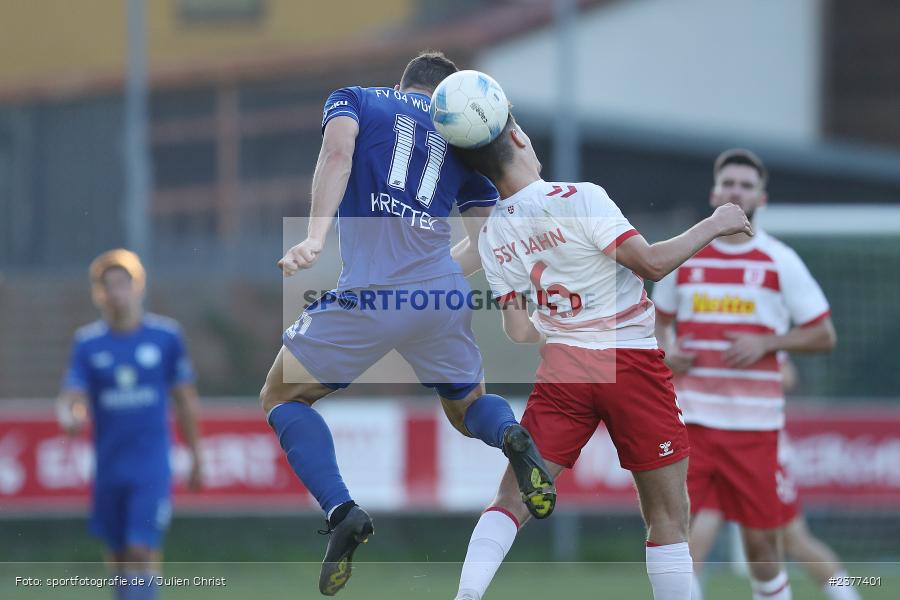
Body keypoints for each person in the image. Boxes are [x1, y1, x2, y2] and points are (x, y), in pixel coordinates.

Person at [260, 52, 556, 596]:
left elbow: (338, 151)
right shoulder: (463, 147)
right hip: (439, 295)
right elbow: (489, 240)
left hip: (369, 295)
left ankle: (342, 510)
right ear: (447, 98)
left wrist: (315, 236)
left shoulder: (355, 97)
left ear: (405, 83)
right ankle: (512, 435)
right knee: (468, 413)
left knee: (281, 397)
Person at [449, 111, 752, 600]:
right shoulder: (580, 197)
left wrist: (560, 323)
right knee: (668, 519)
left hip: (565, 368)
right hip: (631, 362)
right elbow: (651, 262)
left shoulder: (492, 236)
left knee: (510, 499)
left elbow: (520, 331)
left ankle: (466, 596)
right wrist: (716, 223)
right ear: (518, 137)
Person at [652, 149, 837, 600]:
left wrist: (768, 343)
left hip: (755, 431)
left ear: (761, 198)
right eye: (729, 183)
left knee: (763, 549)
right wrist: (666, 353)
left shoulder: (780, 261)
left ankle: (839, 589)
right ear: (715, 192)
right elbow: (657, 326)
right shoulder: (686, 256)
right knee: (683, 544)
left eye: (746, 185)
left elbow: (823, 334)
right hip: (692, 424)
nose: (737, 191)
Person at [57, 249, 204, 600]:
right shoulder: (88, 343)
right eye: (107, 286)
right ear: (98, 294)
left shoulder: (166, 337)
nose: (115, 293)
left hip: (151, 465)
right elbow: (72, 395)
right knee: (121, 555)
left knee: (141, 549)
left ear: (139, 287)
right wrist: (70, 415)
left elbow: (185, 400)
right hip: (109, 465)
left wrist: (197, 456)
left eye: (123, 284)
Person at [690, 358, 861, 600]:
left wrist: (744, 366)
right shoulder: (686, 333)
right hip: (709, 454)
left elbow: (789, 375)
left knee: (794, 541)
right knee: (691, 545)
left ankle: (848, 595)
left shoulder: (758, 331)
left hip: (760, 455)